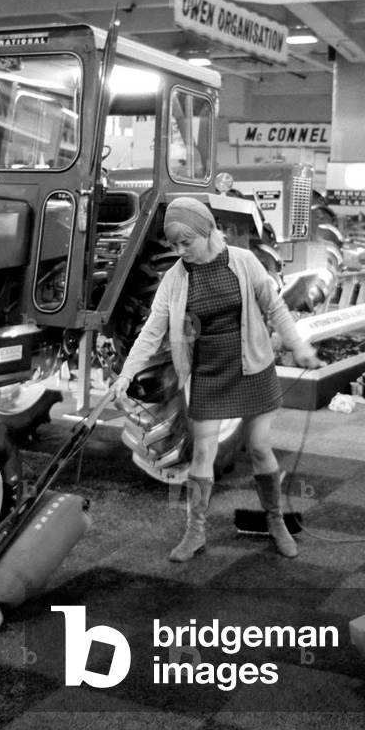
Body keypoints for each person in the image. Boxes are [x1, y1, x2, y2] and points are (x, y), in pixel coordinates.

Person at [111, 196, 320, 562]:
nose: (180, 251)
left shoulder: (244, 262)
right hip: (208, 373)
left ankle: (275, 522)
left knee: (258, 447)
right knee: (203, 453)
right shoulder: (176, 279)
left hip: (253, 369)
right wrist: (126, 373)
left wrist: (297, 345)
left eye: (185, 243)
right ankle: (195, 532)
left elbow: (275, 308)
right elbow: (151, 330)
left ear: (207, 230)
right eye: (174, 245)